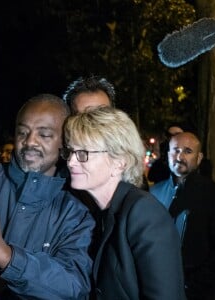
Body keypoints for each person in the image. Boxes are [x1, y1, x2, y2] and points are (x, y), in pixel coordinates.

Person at [0, 94, 95, 299]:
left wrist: (4, 254)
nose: (30, 142)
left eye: (44, 135)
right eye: (22, 132)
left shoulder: (75, 214)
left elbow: (73, 287)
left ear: (65, 142)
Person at [61, 106, 186, 299]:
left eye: (83, 153)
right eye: (70, 152)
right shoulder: (99, 211)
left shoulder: (144, 213)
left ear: (120, 162)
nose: (71, 162)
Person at [150, 132, 215, 300]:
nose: (180, 156)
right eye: (175, 150)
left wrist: (195, 283)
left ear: (199, 158)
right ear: (168, 155)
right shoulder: (153, 194)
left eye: (188, 151)